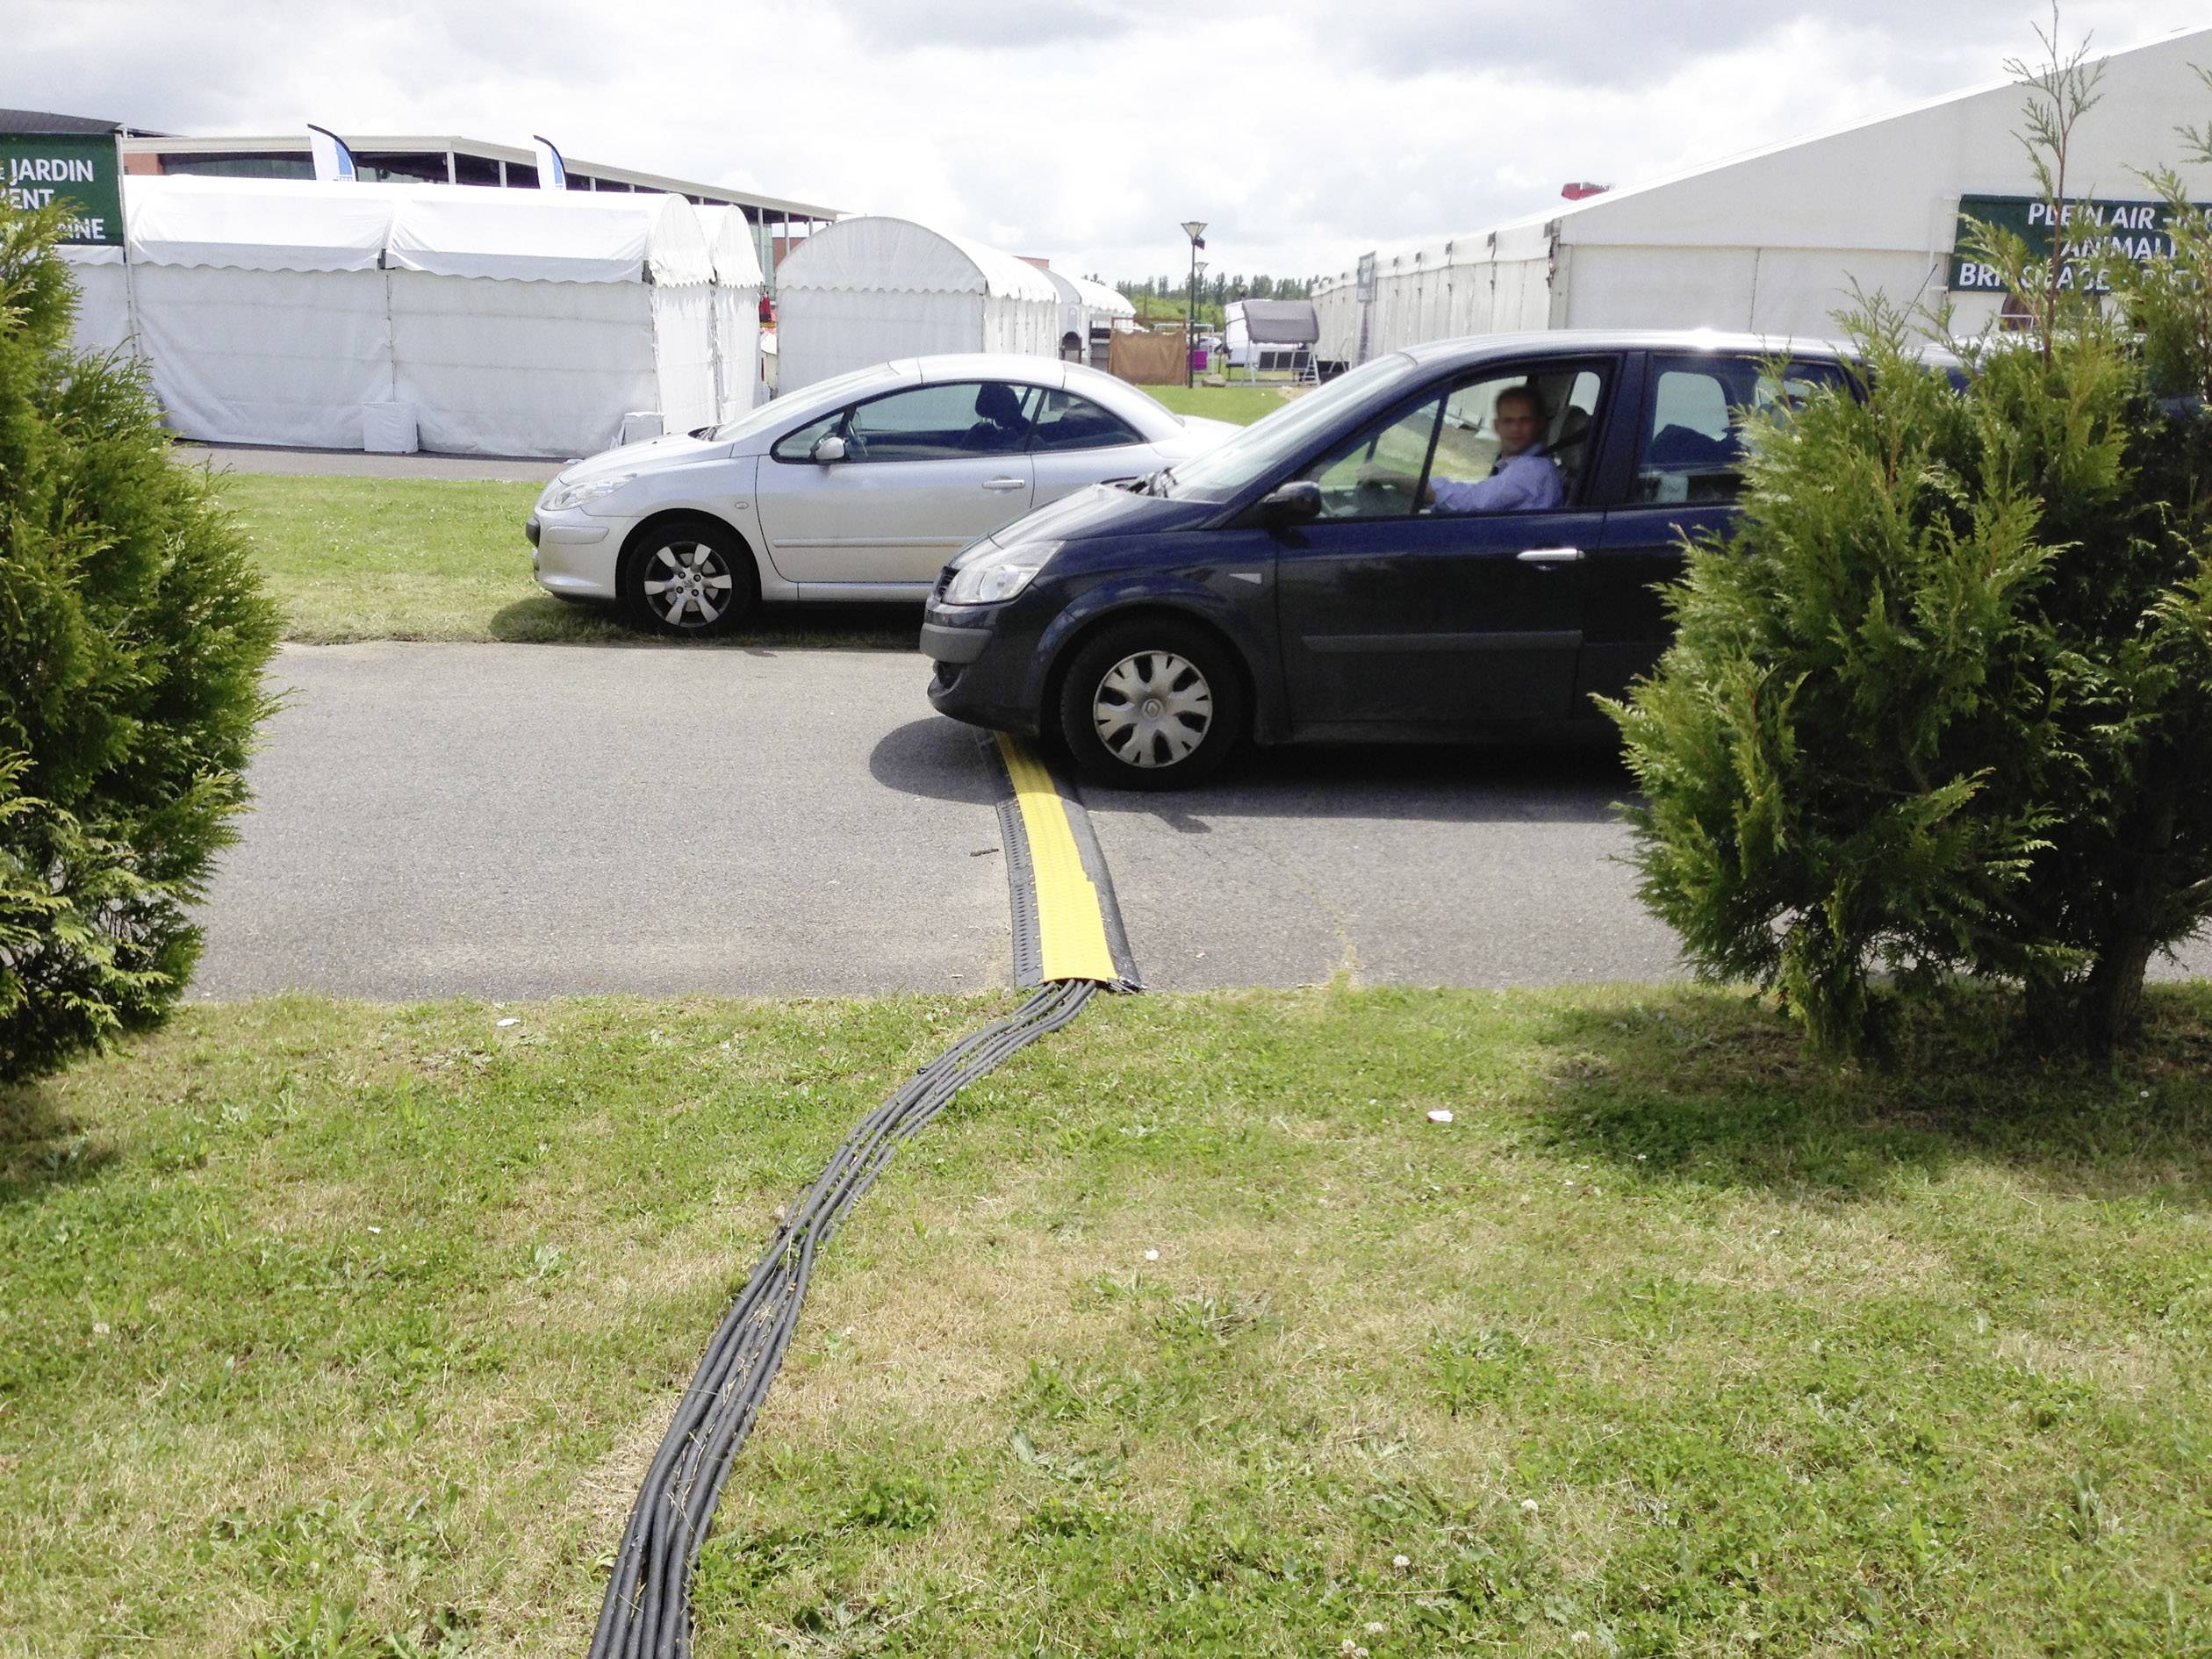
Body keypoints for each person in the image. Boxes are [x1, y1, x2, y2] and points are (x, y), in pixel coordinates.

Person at [1360, 384, 1563, 512]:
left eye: (1524, 421)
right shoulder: (1532, 467)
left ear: (1538, 426)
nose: (1515, 429)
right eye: (1508, 421)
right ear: (1497, 426)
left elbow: (1468, 502)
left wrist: (1388, 475)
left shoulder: (1531, 470)